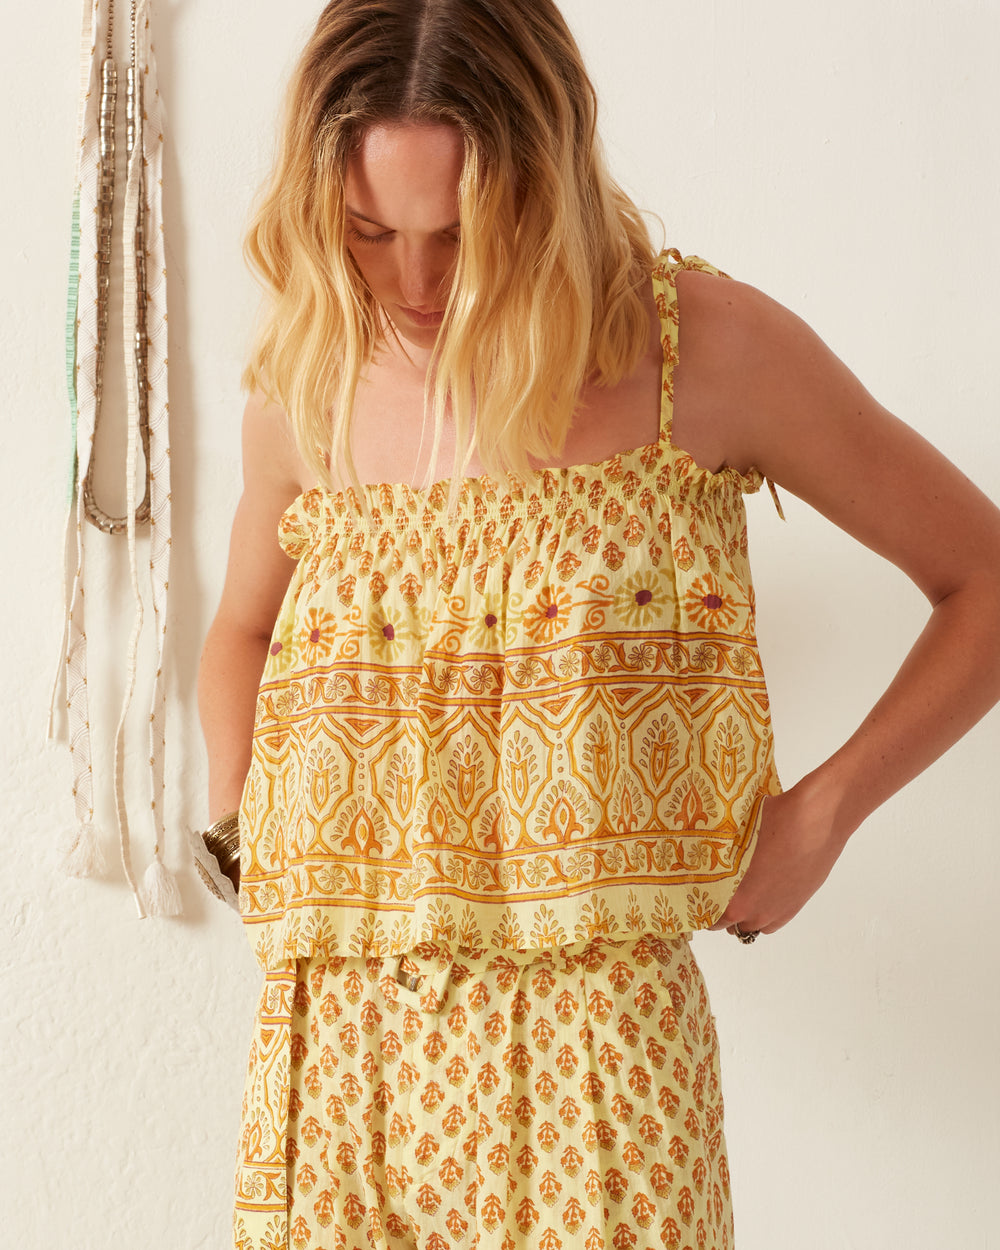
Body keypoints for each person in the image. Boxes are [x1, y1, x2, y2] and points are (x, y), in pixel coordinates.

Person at [198, 2, 1000, 1247]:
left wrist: (819, 818)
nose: (410, 283)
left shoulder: (698, 355)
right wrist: (242, 822)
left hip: (600, 1070)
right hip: (339, 1057)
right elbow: (243, 629)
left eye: (458, 234)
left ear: (546, 185)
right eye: (367, 230)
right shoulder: (309, 369)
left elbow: (982, 577)